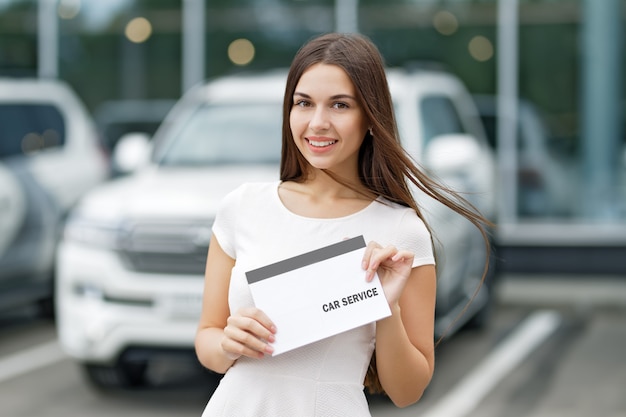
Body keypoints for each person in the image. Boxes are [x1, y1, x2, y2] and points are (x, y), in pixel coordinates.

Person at [195, 32, 490, 416]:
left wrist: (388, 308)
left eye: (339, 105)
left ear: (370, 116)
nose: (318, 123)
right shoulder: (242, 207)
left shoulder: (401, 231)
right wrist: (227, 344)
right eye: (304, 103)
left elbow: (407, 391)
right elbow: (207, 338)